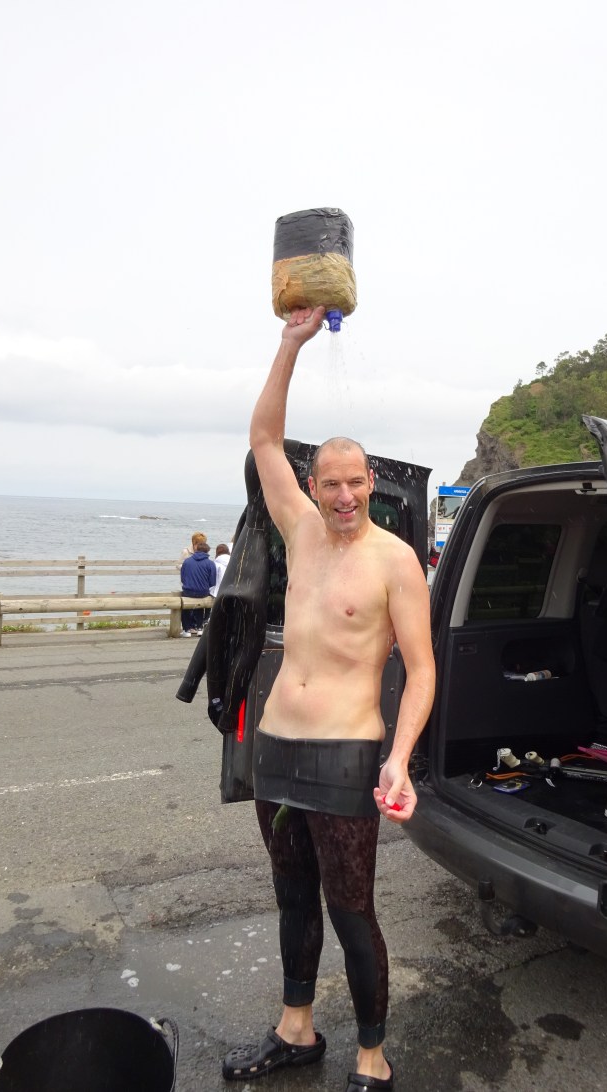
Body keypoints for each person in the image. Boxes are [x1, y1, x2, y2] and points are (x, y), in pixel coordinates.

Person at [221, 307, 435, 1092]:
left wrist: (399, 759)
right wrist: (290, 343)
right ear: (312, 487)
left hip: (346, 753)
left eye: (356, 482)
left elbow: (422, 670)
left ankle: (372, 1057)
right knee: (291, 899)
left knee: (351, 910)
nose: (344, 496)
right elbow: (264, 440)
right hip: (276, 748)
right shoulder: (300, 532)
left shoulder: (396, 561)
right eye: (331, 484)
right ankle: (296, 1029)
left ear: (371, 483)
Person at [179, 539, 215, 636]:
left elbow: (183, 578)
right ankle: (199, 628)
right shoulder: (210, 563)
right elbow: (212, 581)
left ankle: (186, 630)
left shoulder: (187, 562)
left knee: (185, 608)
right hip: (203, 591)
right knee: (201, 605)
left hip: (188, 591)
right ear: (207, 551)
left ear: (196, 550)